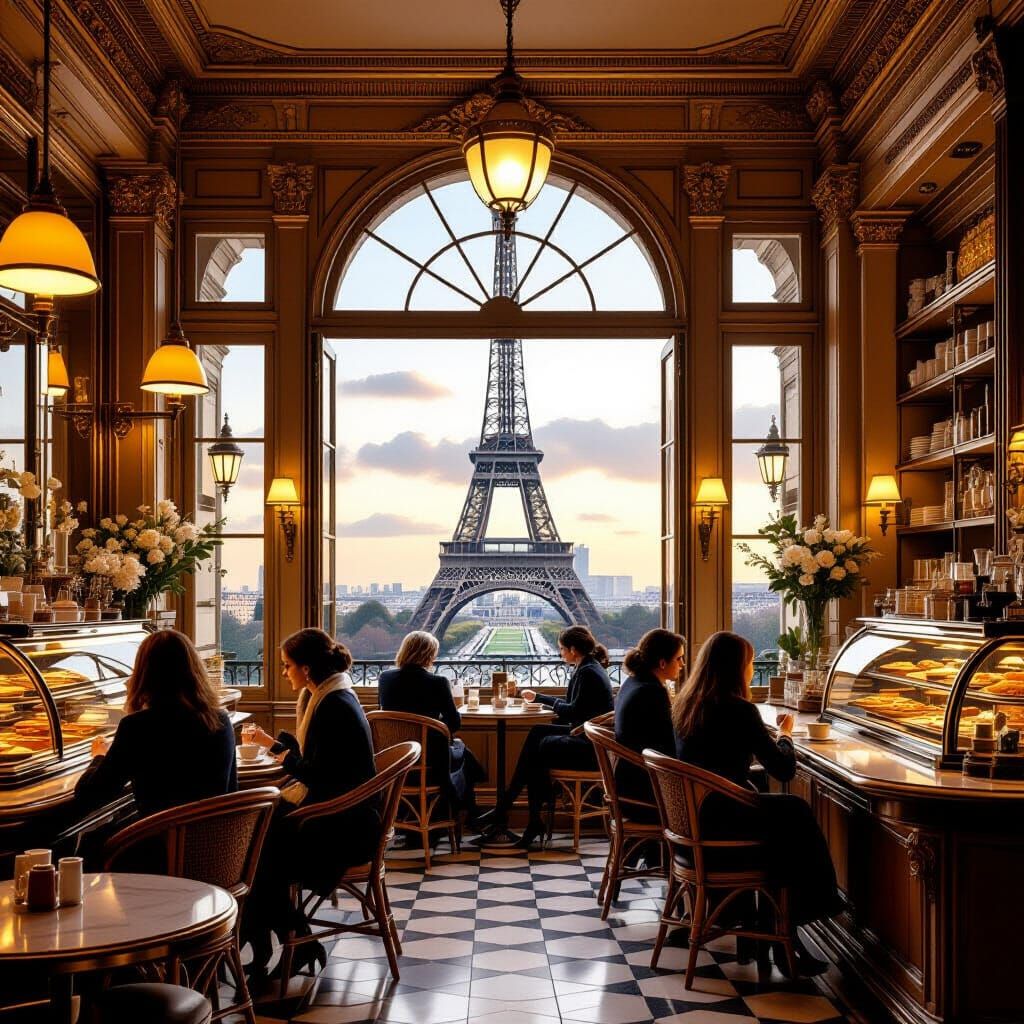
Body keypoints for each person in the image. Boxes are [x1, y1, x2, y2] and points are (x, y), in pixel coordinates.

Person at [672, 630, 841, 977]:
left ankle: (781, 933)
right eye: (750, 663)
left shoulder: (688, 703)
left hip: (697, 819)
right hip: (722, 824)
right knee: (794, 814)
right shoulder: (739, 709)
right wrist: (786, 735)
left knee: (787, 821)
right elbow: (783, 767)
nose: (752, 670)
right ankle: (791, 926)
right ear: (739, 669)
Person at [243, 629, 378, 985]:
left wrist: (282, 756)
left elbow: (319, 776)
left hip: (341, 829)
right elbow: (321, 764)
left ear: (305, 669)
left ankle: (282, 941)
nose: (284, 672)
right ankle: (292, 941)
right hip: (348, 818)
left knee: (255, 859)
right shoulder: (334, 696)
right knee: (259, 850)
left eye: (287, 666)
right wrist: (279, 748)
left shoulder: (331, 707)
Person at [75, 629, 237, 821]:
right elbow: (231, 790)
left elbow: (89, 796)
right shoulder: (221, 720)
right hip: (216, 845)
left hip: (160, 846)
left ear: (144, 674)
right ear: (195, 671)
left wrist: (99, 756)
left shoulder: (136, 727)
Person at [475, 625, 614, 849]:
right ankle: (516, 814)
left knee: (540, 749)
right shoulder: (588, 667)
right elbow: (574, 711)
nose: (559, 653)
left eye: (561, 649)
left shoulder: (587, 671)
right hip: (588, 737)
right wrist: (540, 698)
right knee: (538, 734)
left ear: (573, 649)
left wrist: (539, 697)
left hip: (589, 746)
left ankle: (513, 814)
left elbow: (572, 711)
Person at [378, 630, 484, 816]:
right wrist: (433, 724)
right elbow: (453, 723)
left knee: (462, 752)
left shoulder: (385, 679)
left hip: (397, 757)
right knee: (463, 753)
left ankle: (461, 813)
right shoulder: (438, 682)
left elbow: (387, 714)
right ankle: (465, 813)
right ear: (429, 655)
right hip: (429, 758)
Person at [614, 628, 684, 822]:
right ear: (662, 663)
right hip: (646, 793)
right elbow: (668, 749)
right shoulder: (653, 692)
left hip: (627, 785)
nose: (682, 664)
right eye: (678, 659)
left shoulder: (633, 682)